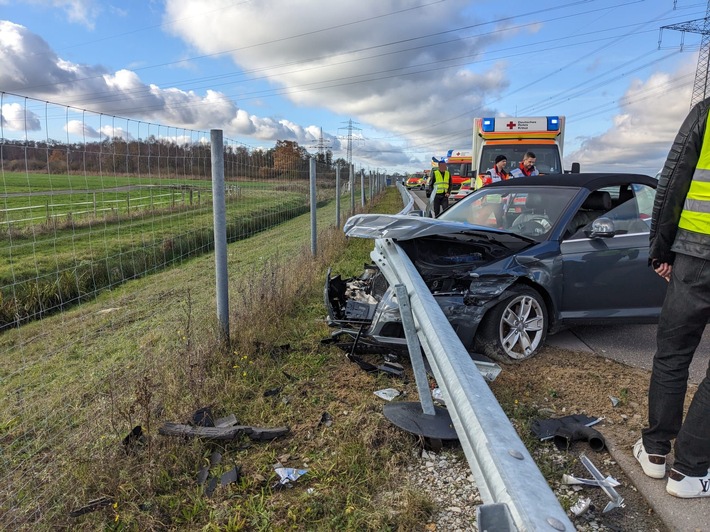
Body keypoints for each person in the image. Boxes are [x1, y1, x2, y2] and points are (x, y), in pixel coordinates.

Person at [634, 97, 710, 498]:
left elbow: (673, 180)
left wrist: (661, 250)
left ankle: (655, 451)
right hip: (695, 252)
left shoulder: (707, 112)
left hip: (696, 254)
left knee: (673, 354)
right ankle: (691, 472)